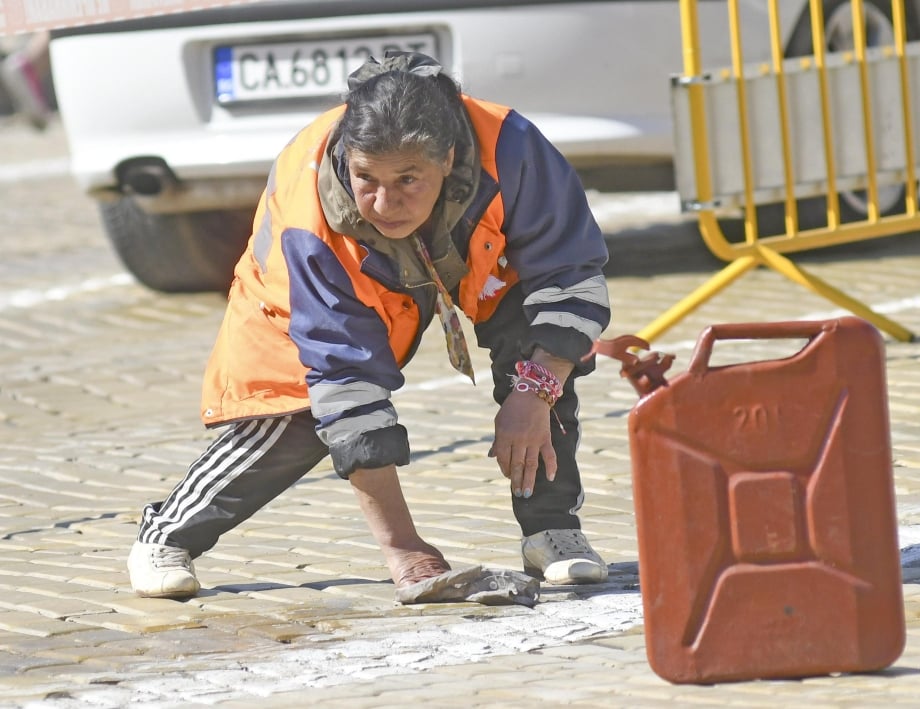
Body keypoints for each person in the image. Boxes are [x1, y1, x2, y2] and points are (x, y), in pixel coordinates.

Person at [127, 51, 612, 600]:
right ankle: (165, 532)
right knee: (302, 415)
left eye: (408, 178)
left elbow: (569, 276)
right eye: (366, 178)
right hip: (305, 290)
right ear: (347, 160)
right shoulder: (313, 224)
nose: (385, 202)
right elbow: (344, 380)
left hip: (479, 258)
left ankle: (553, 529)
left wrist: (534, 393)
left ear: (449, 159)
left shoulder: (516, 149)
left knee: (546, 348)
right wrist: (404, 549)